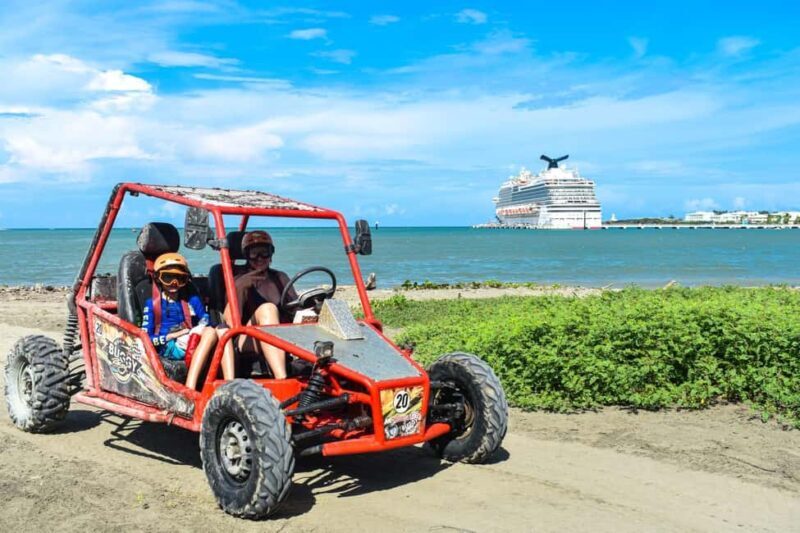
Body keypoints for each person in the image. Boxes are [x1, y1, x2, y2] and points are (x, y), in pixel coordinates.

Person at [222, 230, 297, 379]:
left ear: (271, 255)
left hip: (281, 334)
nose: (260, 258)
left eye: (265, 253)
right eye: (254, 254)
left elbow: (295, 308)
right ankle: (282, 378)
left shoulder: (280, 277)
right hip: (245, 338)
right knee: (267, 309)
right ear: (246, 255)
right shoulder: (238, 279)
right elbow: (228, 321)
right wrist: (242, 286)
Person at [142, 253, 218, 390]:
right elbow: (145, 339)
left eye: (179, 279)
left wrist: (201, 325)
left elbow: (205, 319)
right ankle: (191, 387)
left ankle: (228, 381)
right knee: (210, 332)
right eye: (168, 278)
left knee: (221, 331)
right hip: (169, 346)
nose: (174, 283)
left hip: (192, 338)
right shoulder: (153, 304)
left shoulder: (191, 299)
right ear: (158, 279)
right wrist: (172, 336)